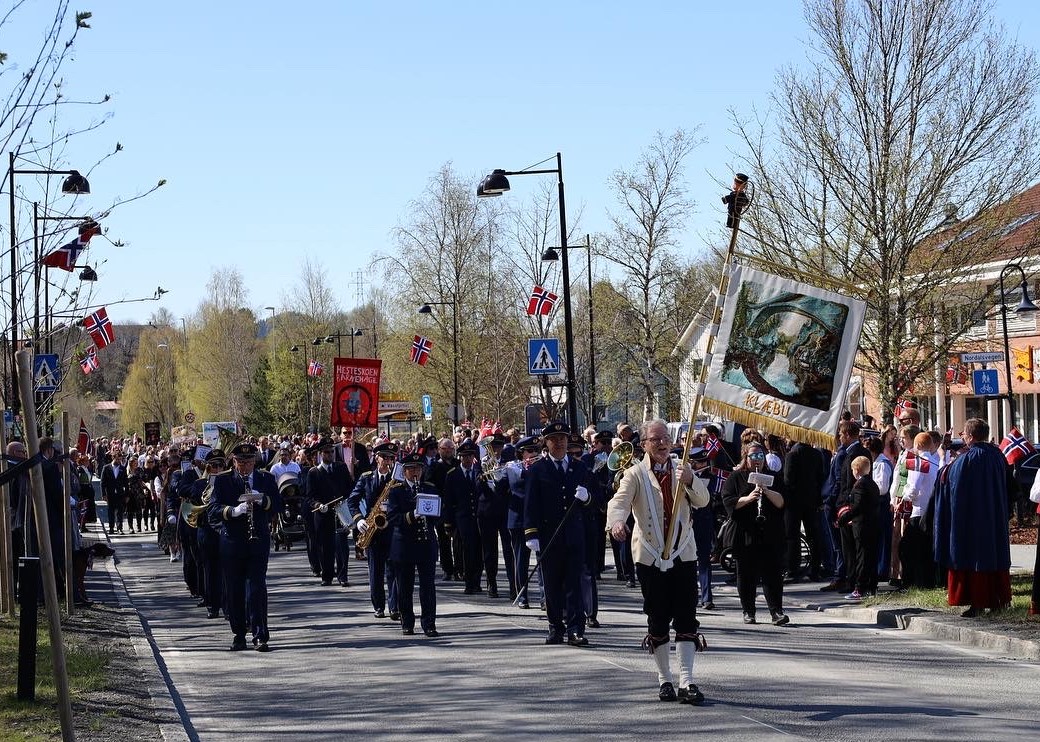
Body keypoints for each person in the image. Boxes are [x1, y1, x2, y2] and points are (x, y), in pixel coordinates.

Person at [607, 419, 710, 704]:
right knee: (658, 616)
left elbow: (703, 501)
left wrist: (690, 480)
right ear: (644, 445)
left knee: (686, 615)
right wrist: (617, 522)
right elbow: (618, 502)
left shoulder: (682, 468)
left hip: (682, 553)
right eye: (656, 439)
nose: (663, 443)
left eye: (666, 438)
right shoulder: (635, 474)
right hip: (650, 556)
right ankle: (665, 679)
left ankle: (687, 681)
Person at [933, 418, 1012, 617]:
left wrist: (944, 460)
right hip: (994, 516)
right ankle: (998, 600)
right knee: (994, 554)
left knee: (975, 556)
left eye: (964, 434)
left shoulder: (966, 459)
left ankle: (978, 602)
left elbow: (947, 481)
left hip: (973, 518)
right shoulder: (998, 455)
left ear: (969, 436)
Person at [524, 422, 595, 646]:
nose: (560, 443)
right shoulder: (538, 469)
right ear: (546, 442)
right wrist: (531, 534)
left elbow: (595, 501)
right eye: (554, 439)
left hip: (574, 536)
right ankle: (555, 627)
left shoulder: (579, 467)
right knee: (552, 585)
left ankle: (575, 630)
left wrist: (587, 498)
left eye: (563, 438)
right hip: (549, 536)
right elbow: (531, 504)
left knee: (574, 584)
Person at [207, 442, 282, 651]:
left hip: (258, 541)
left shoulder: (266, 478)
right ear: (234, 461)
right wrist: (233, 511)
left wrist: (263, 500)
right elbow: (213, 509)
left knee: (257, 588)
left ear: (254, 461)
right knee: (234, 589)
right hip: (232, 541)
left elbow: (278, 504)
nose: (245, 467)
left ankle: (260, 635)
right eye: (241, 462)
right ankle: (239, 634)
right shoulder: (223, 480)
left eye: (249, 462)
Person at [722, 441, 789, 626]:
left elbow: (782, 502)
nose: (757, 460)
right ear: (746, 457)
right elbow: (728, 502)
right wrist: (749, 498)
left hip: (770, 533)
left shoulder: (773, 476)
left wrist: (766, 491)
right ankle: (749, 611)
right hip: (745, 533)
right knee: (746, 575)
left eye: (760, 456)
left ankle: (776, 611)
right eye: (754, 456)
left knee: (772, 574)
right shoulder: (736, 477)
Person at [384, 452, 440, 637]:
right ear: (404, 471)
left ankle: (429, 624)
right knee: (405, 587)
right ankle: (407, 623)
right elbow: (392, 518)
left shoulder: (429, 488)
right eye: (411, 469)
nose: (415, 472)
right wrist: (412, 515)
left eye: (418, 469)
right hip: (404, 545)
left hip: (426, 543)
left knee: (428, 587)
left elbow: (439, 514)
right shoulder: (396, 491)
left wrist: (431, 512)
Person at [348, 441, 400, 619]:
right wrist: (359, 519)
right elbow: (352, 501)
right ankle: (378, 605)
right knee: (375, 572)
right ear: (376, 458)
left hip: (392, 529)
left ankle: (394, 606)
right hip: (373, 530)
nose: (387, 461)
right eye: (384, 457)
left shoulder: (397, 479)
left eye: (390, 458)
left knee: (394, 570)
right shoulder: (366, 477)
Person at [306, 439, 352, 587]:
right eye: (327, 452)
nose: (330, 454)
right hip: (323, 513)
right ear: (321, 454)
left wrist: (345, 502)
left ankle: (343, 576)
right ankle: (327, 576)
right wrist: (318, 505)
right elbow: (310, 497)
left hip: (340, 513)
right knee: (325, 546)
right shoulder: (313, 472)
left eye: (332, 451)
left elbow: (349, 488)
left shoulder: (341, 467)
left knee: (342, 546)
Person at [442, 440, 485, 594]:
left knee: (478, 551)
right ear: (460, 457)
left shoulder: (479, 472)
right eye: (464, 456)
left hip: (478, 518)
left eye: (470, 456)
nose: (467, 459)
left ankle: (477, 581)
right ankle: (469, 582)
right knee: (466, 551)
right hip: (462, 519)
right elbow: (448, 500)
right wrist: (448, 523)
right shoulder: (453, 475)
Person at [837, 456, 881, 600]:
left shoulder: (860, 485)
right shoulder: (872, 484)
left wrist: (842, 520)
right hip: (873, 524)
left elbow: (857, 507)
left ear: (856, 470)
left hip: (862, 526)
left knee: (862, 558)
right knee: (871, 557)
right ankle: (872, 587)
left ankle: (859, 588)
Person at [505, 435, 541, 609]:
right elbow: (503, 491)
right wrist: (493, 480)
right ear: (521, 453)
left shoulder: (541, 467)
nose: (533, 454)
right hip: (519, 519)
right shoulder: (512, 468)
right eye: (529, 451)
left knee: (543, 559)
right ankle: (522, 595)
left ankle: (545, 597)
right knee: (521, 559)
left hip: (539, 518)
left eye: (536, 450)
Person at [101, 451, 129, 535]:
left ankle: (119, 528)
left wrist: (127, 495)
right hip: (110, 493)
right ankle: (111, 528)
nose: (119, 461)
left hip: (120, 493)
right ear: (113, 458)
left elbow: (126, 483)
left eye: (120, 459)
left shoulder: (122, 468)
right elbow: (103, 482)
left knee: (120, 511)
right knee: (111, 511)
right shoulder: (106, 468)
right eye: (117, 459)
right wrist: (103, 494)